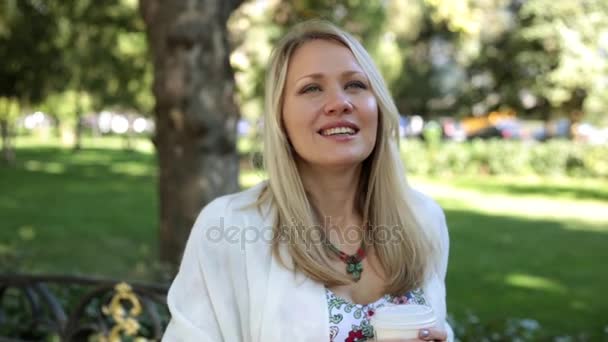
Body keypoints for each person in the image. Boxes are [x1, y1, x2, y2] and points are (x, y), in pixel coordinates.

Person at [163, 19, 453, 342]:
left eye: (355, 84)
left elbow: (436, 324)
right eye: (312, 88)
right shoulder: (228, 228)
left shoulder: (424, 220)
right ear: (280, 118)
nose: (340, 103)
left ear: (379, 107)